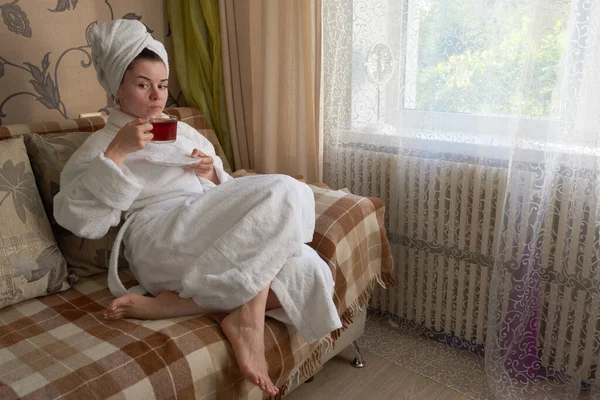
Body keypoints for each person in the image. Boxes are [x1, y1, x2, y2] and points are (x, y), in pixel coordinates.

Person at [53, 19, 342, 397]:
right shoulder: (99, 146)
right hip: (158, 237)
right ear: (116, 90)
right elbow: (77, 219)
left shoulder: (182, 131)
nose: (157, 97)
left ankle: (182, 305)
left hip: (202, 222)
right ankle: (247, 318)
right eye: (143, 85)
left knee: (310, 268)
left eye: (162, 85)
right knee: (289, 190)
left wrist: (213, 173)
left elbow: (233, 198)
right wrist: (117, 152)